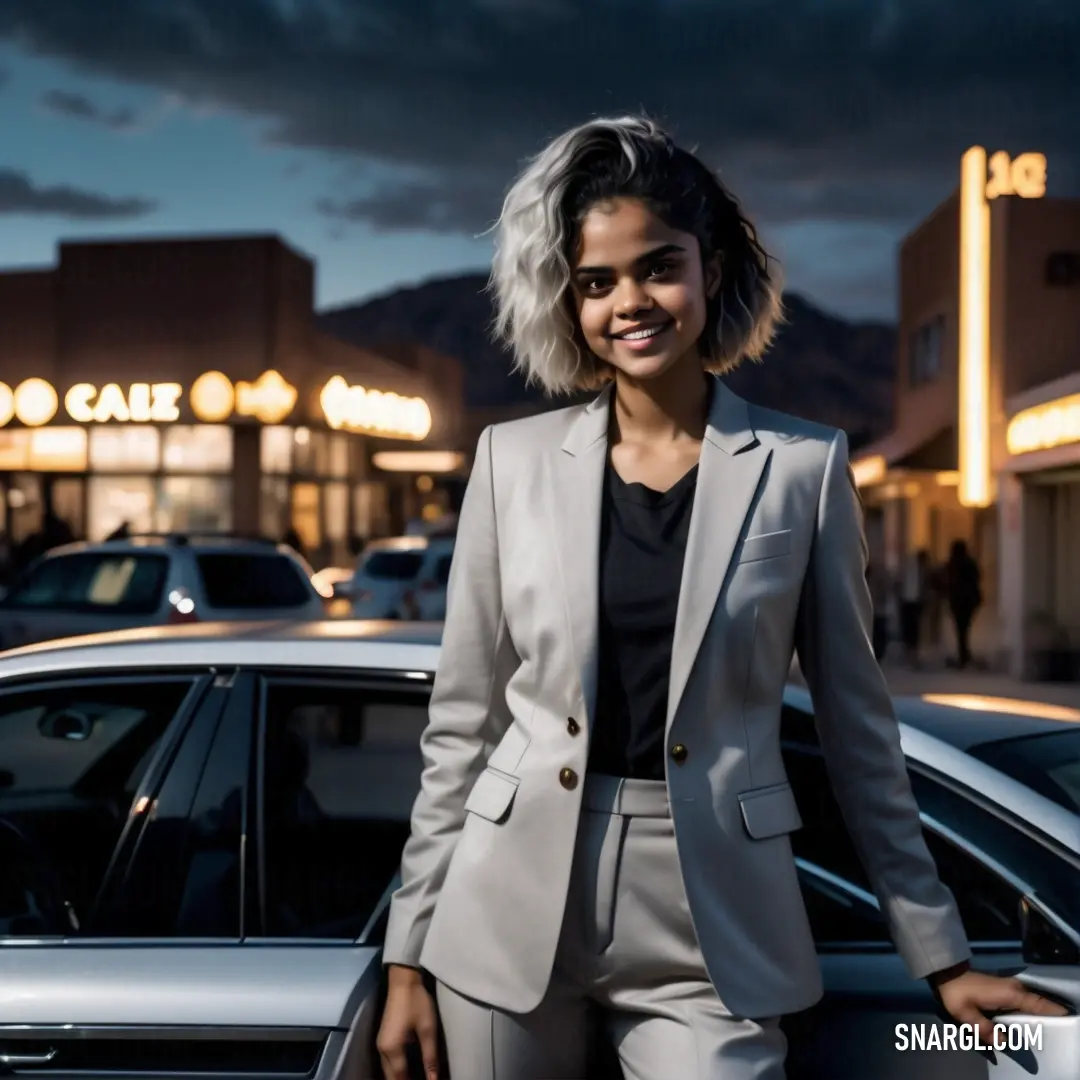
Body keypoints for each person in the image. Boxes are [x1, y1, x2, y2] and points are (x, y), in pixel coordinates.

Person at [376, 116, 1065, 1080]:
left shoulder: (802, 469)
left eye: (659, 267)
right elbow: (461, 726)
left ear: (712, 270)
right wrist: (407, 954)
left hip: (714, 926)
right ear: (567, 300)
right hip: (505, 910)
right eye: (596, 282)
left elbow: (858, 734)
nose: (631, 303)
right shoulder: (509, 462)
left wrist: (941, 957)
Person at [945, 539, 982, 669]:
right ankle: (964, 654)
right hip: (968, 601)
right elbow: (977, 579)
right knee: (964, 629)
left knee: (960, 629)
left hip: (958, 601)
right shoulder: (969, 563)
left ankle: (963, 655)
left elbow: (948, 583)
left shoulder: (953, 564)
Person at [896, 548, 931, 667]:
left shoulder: (921, 570)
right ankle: (909, 652)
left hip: (915, 601)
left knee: (914, 628)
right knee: (909, 627)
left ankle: (912, 652)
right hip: (908, 601)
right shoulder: (912, 569)